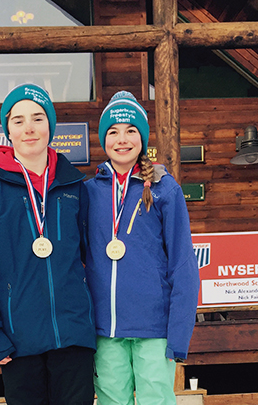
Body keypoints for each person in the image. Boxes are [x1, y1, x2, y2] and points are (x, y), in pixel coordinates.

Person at [0, 83, 96, 405]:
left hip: (73, 336)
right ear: (7, 130)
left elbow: (94, 258)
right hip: (17, 339)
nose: (29, 128)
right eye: (18, 120)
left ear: (50, 124)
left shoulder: (75, 187)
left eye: (37, 118)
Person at [85, 91, 200, 405]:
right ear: (103, 139)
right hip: (105, 328)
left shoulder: (165, 189)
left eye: (131, 130)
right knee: (111, 401)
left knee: (155, 400)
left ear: (142, 137)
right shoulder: (89, 192)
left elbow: (183, 265)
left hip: (153, 326)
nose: (122, 139)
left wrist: (178, 334)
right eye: (113, 131)